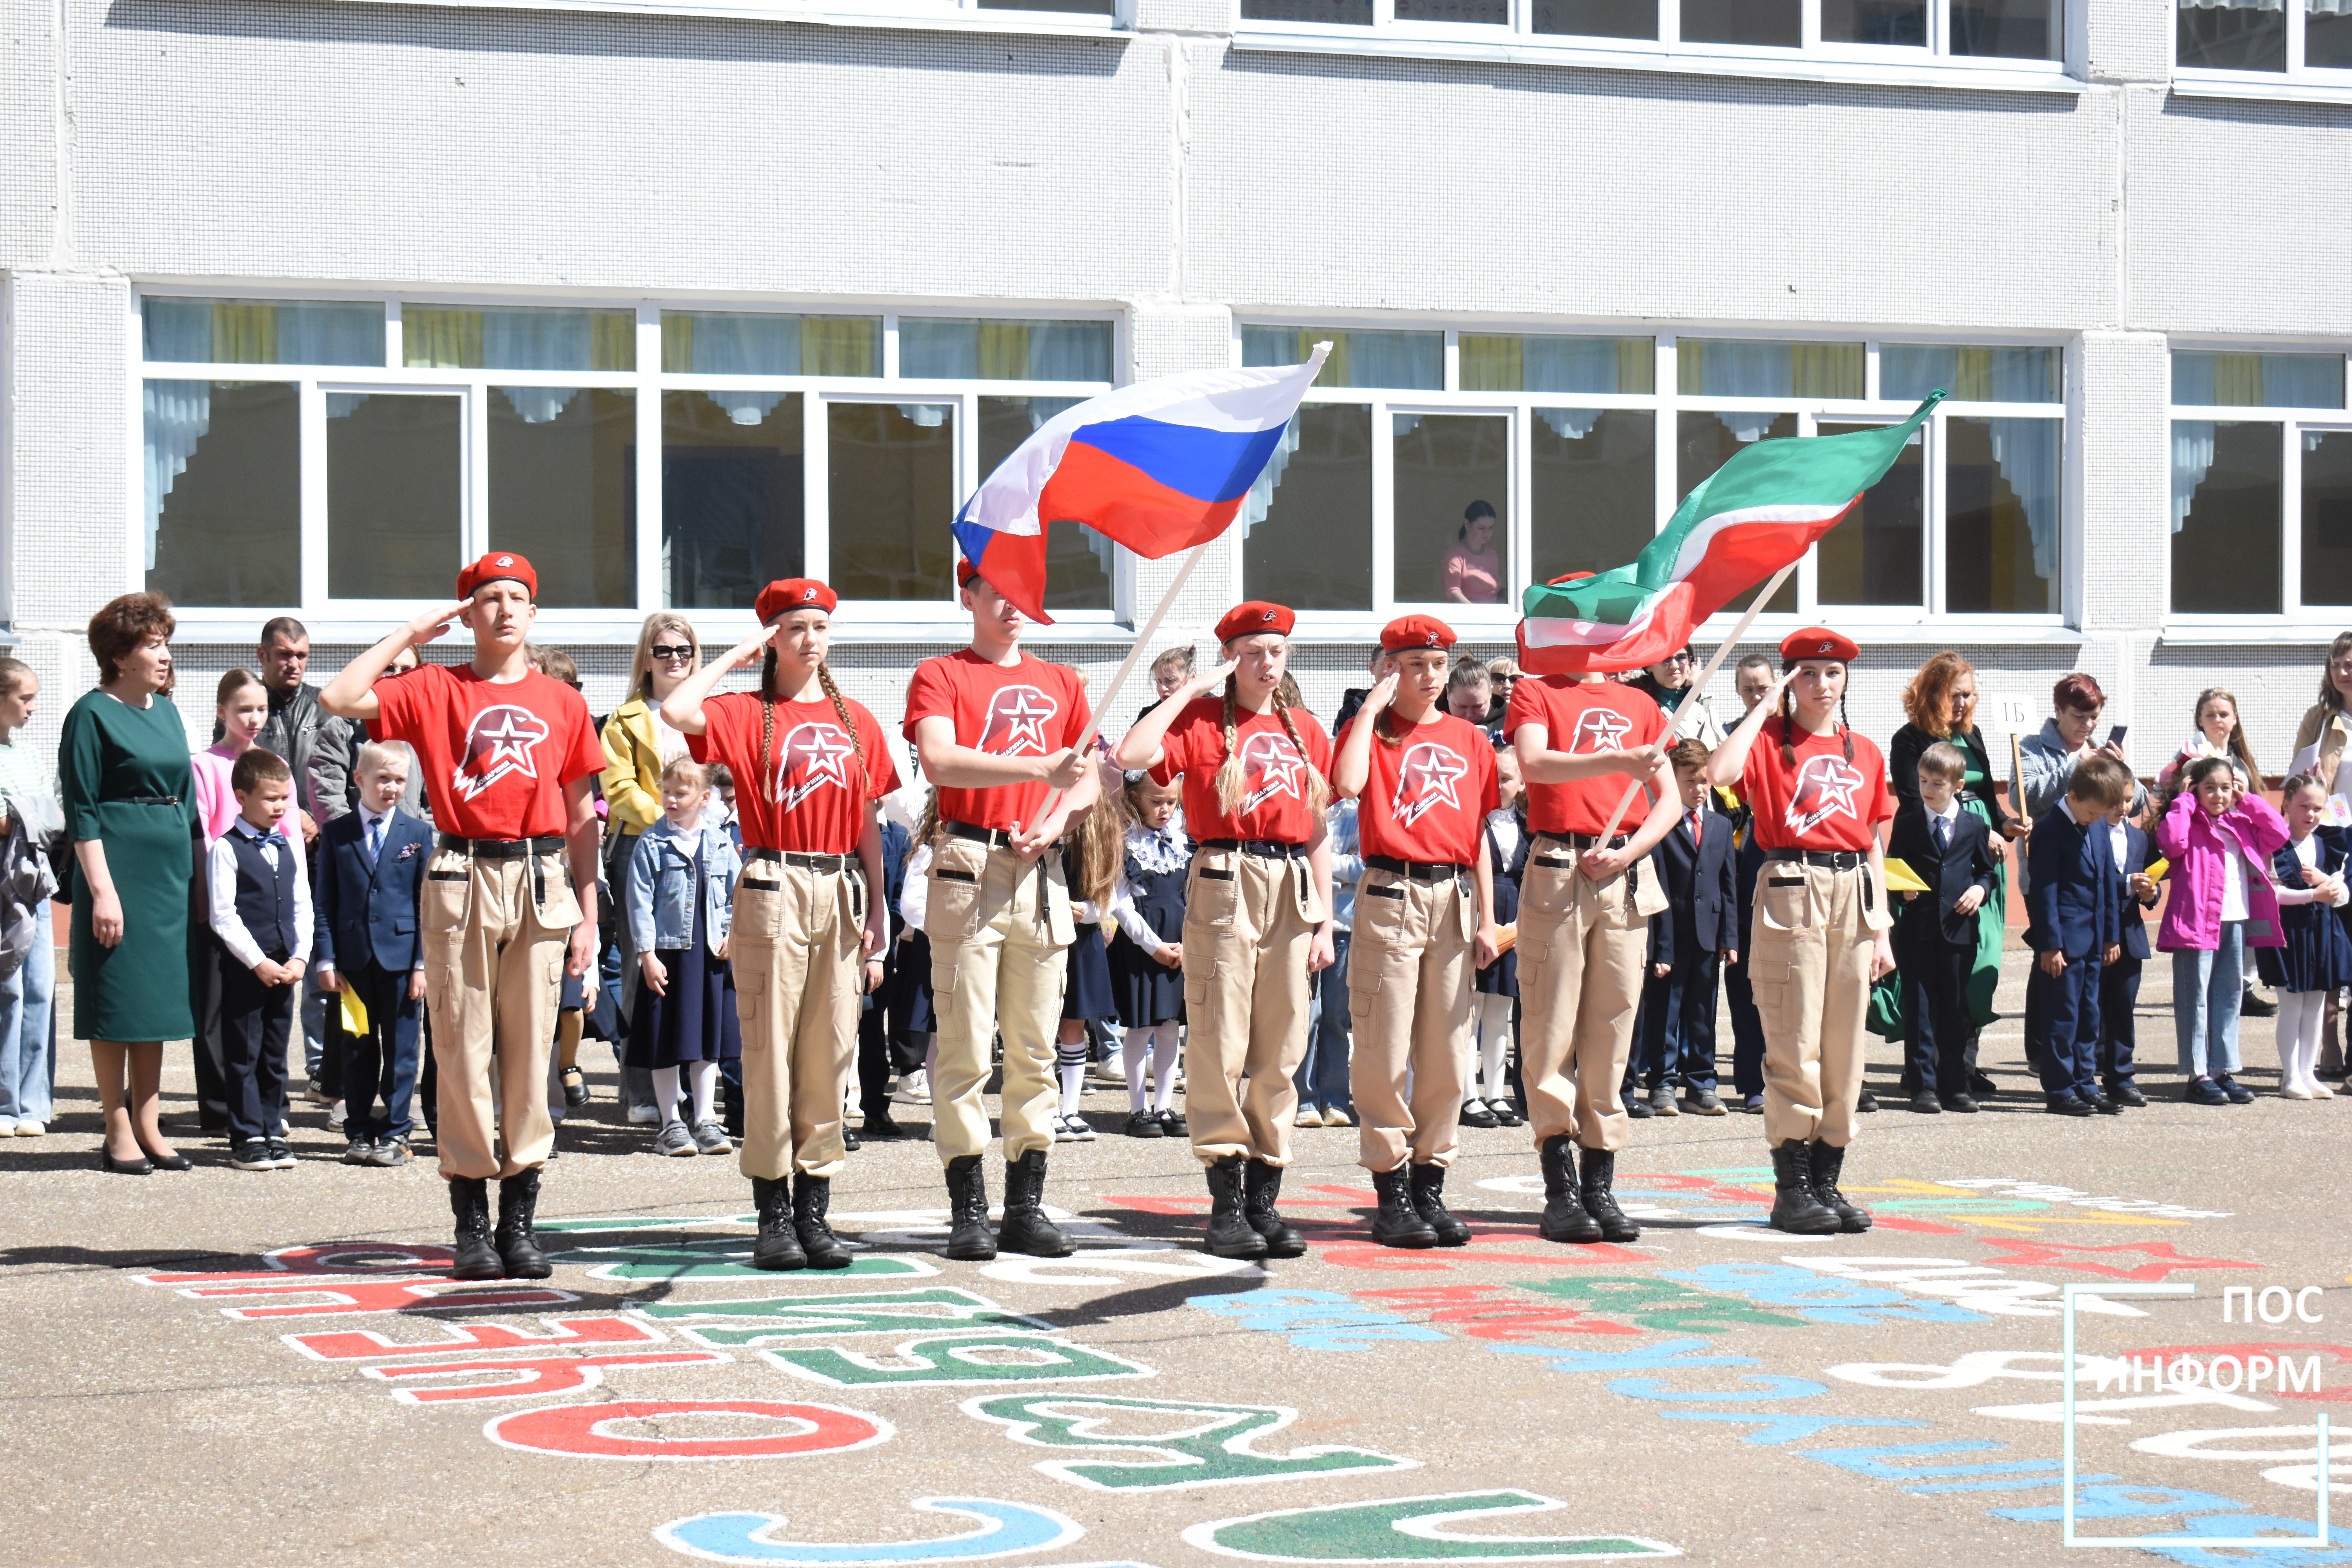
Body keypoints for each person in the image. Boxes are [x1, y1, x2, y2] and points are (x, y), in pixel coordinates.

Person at [321, 553, 603, 1280]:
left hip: (542, 879)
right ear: (467, 615)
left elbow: (581, 817)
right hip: (461, 872)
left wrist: (589, 915)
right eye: (488, 599)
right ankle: (472, 1222)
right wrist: (411, 630)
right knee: (463, 1045)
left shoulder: (563, 702)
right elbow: (339, 695)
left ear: (533, 614)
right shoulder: (435, 686)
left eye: (517, 598)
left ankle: (520, 1222)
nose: (504, 610)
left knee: (530, 1049)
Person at [663, 578, 893, 1268]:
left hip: (840, 883)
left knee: (830, 1051)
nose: (810, 639)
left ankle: (814, 1208)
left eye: (819, 626)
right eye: (794, 627)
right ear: (773, 638)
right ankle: (772, 1212)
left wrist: (879, 903)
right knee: (768, 1053)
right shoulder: (745, 711)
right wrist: (739, 654)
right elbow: (678, 707)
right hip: (773, 881)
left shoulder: (857, 719)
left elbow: (867, 823)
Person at [1116, 600, 1334, 1261]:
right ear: (1230, 658)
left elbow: (1319, 825)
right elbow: (1132, 755)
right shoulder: (1202, 721)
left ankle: (1265, 1196)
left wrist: (1324, 916)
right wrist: (1189, 690)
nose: (1266, 664)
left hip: (1291, 885)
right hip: (1224, 879)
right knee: (1220, 1037)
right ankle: (1227, 1199)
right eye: (1252, 652)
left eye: (1275, 651)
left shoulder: (1306, 729)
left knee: (1284, 1041)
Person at [906, 564, 1096, 1261]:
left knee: (1036, 1048)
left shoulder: (1062, 681)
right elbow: (940, 760)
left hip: (1039, 872)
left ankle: (1026, 1203)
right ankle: (969, 1207)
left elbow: (1090, 778)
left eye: (1023, 593)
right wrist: (1038, 770)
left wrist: (1057, 819)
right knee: (962, 1046)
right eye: (997, 594)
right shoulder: (942, 673)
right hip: (968, 865)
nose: (1013, 606)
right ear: (969, 598)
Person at [1704, 628, 1896, 1237]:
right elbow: (1719, 771)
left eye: (1832, 674)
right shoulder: (1767, 741)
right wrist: (1766, 705)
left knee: (1844, 1049)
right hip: (1791, 886)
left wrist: (1882, 928)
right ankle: (1792, 1190)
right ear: (1791, 681)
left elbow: (1871, 842)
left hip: (1853, 896)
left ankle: (1827, 1180)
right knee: (1794, 1041)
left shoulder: (1863, 751)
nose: (1821, 685)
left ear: (1845, 682)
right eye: (1807, 674)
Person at [1331, 615, 1500, 1248]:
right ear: (1389, 668)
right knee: (1383, 1047)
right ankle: (1391, 1187)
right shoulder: (1371, 732)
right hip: (1390, 892)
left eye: (1436, 665)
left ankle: (1431, 1182)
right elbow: (1345, 786)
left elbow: (1478, 831)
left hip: (1452, 897)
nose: (1427, 677)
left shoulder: (1469, 739)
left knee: (1448, 1054)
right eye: (1412, 665)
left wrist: (1488, 916)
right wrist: (1373, 707)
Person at [1504, 642, 1678, 1246]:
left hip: (1624, 872)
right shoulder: (1537, 688)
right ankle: (1561, 1188)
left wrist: (1630, 852)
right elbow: (1535, 764)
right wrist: (1616, 758)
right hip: (1559, 861)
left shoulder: (1639, 701)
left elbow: (1671, 802)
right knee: (1550, 1027)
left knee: (1613, 1025)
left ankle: (1600, 1180)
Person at [62, 593, 198, 1175]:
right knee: (118, 996)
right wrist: (103, 892)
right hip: (118, 866)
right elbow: (82, 810)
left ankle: (149, 1121)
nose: (164, 655)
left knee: (157, 1001)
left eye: (165, 643)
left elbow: (187, 799)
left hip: (167, 873)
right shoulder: (90, 714)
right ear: (120, 656)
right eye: (153, 645)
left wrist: (194, 876)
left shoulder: (166, 712)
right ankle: (116, 1124)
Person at [1888, 652, 2022, 1092]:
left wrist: (2005, 823)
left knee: (1978, 965)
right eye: (1955, 695)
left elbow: (1987, 794)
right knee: (1934, 968)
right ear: (1933, 694)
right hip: (1942, 858)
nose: (1964, 704)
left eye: (1970, 695)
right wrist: (1974, 828)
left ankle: (1963, 1060)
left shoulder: (1974, 735)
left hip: (1983, 864)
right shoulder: (1909, 739)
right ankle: (1928, 1066)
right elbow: (1913, 798)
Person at [192, 670, 308, 1134]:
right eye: (244, 709)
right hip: (226, 898)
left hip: (272, 898)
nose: (254, 718)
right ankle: (225, 1108)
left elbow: (292, 838)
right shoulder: (204, 764)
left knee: (273, 1027)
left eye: (261, 709)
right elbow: (204, 832)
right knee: (224, 1016)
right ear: (222, 711)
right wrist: (208, 901)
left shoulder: (274, 765)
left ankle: (268, 1110)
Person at [604, 614, 702, 1122]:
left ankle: (700, 1093)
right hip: (642, 850)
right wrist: (669, 822)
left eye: (683, 650)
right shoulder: (624, 721)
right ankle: (641, 1088)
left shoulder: (710, 712)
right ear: (647, 658)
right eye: (663, 651)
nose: (674, 660)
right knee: (642, 971)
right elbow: (617, 791)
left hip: (704, 851)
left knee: (704, 970)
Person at [314, 741, 429, 1167]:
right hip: (353, 964)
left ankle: (397, 1130)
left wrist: (422, 964)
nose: (392, 788)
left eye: (400, 780)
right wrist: (326, 959)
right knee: (358, 1046)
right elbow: (324, 899)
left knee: (402, 1048)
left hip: (402, 964)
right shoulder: (338, 833)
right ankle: (359, 1129)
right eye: (383, 779)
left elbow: (425, 904)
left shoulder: (416, 834)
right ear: (358, 779)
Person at [625, 757, 743, 1158]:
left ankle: (706, 1118)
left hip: (709, 954)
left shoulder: (721, 842)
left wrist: (731, 931)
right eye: (667, 792)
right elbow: (639, 902)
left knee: (706, 1037)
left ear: (705, 798)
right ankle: (670, 1122)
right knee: (664, 1038)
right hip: (668, 956)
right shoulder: (652, 843)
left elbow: (735, 892)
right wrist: (647, 953)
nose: (671, 800)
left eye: (682, 793)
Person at [2156, 755, 2288, 1108]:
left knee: (2228, 997)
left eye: (2226, 788)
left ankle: (2222, 1069)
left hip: (2235, 919)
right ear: (2195, 789)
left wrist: (2249, 800)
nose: (2218, 795)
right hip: (2195, 923)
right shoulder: (2188, 818)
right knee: (2194, 999)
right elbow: (2171, 844)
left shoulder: (2240, 821)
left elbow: (2279, 833)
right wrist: (2182, 801)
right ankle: (2197, 1073)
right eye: (2209, 788)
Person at [207, 749, 311, 1170]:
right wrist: (257, 961)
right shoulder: (226, 849)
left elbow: (302, 903)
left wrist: (301, 956)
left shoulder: (286, 844)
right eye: (271, 799)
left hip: (285, 966)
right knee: (244, 1050)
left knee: (274, 1050)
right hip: (248, 967)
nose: (281, 807)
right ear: (242, 796)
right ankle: (247, 1134)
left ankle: (273, 1124)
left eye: (285, 798)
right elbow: (223, 915)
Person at [1887, 742, 2001, 1115]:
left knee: (1953, 1010)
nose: (1928, 789)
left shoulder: (1973, 825)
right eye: (1923, 781)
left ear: (1957, 784)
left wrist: (1979, 890)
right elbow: (1891, 867)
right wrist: (1900, 892)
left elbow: (1986, 872)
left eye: (1937, 783)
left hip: (1958, 932)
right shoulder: (1907, 823)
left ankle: (1955, 1084)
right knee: (1919, 1010)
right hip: (1917, 933)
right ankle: (1922, 1086)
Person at [2025, 755, 2134, 1117]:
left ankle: (2086, 1084)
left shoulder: (2099, 826)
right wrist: (2050, 944)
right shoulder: (2049, 829)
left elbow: (2105, 884)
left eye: (2101, 815)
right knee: (2063, 1016)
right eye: (2091, 813)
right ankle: (2060, 1089)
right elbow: (2044, 892)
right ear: (2072, 796)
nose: (2095, 820)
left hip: (2093, 939)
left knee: (2090, 1015)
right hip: (2063, 943)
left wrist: (2110, 936)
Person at [1636, 740, 1737, 1118]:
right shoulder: (1659, 826)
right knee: (1666, 1011)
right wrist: (1659, 948)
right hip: (1671, 933)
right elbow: (1656, 885)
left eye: (1705, 782)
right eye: (1690, 781)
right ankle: (1662, 1082)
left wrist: (1729, 939)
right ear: (1673, 781)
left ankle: (1702, 1083)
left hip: (1708, 935)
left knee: (1702, 1011)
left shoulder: (1720, 826)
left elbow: (1728, 885)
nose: (1699, 789)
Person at [2258, 774, 2352, 1099]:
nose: (2310, 814)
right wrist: (2313, 895)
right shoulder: (2275, 842)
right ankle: (2290, 1076)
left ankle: (2308, 1073)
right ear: (2286, 805)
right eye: (2303, 806)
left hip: (2321, 932)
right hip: (2289, 933)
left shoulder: (2326, 844)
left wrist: (2329, 884)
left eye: (2317, 808)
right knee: (2293, 1005)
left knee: (2315, 1005)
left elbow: (2341, 895)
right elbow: (2271, 891)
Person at [1108, 770, 1190, 1139]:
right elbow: (1121, 904)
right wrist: (1153, 945)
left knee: (1171, 1025)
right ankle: (1138, 1109)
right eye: (1156, 801)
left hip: (1179, 941)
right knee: (1140, 1027)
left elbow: (1193, 894)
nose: (1165, 810)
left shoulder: (1182, 840)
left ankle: (1165, 1106)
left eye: (1171, 803)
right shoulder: (1124, 842)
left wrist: (1188, 942)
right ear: (1134, 799)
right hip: (1144, 943)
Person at [0, 657, 58, 1139]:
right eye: (25, 698)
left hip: (33, 882)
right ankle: (5, 1102)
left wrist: (16, 812)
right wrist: (23, 812)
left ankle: (34, 1102)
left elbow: (50, 812)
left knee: (41, 988)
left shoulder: (30, 754)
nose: (32, 708)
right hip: (3, 885)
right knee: (8, 990)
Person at [1719, 653, 1775, 1114]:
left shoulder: (1795, 731)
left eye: (1764, 687)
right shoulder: (1738, 737)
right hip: (1746, 853)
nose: (1758, 696)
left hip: (1790, 853)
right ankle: (1751, 1079)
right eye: (1749, 690)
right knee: (1746, 977)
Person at [1051, 791, 1122, 1143]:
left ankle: (1071, 1110)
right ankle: (1046, 1109)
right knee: (1043, 1023)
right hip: (1044, 935)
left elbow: (1111, 896)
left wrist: (1091, 912)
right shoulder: (1047, 828)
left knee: (1074, 1023)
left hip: (1083, 939)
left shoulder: (1098, 832)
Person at [1463, 737, 1524, 1130]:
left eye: (1506, 779)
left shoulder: (1527, 824)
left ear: (1522, 783)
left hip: (1516, 918)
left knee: (1501, 1009)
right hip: (1477, 916)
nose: (1499, 786)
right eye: (1493, 778)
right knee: (1472, 1010)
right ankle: (1469, 1094)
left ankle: (1496, 1093)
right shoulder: (1473, 819)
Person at [307, 643, 429, 825]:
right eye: (388, 668)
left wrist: (420, 846)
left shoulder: (428, 732)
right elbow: (328, 796)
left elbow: (438, 806)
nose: (397, 676)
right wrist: (356, 847)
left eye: (406, 670)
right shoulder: (342, 730)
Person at [1296, 793, 1361, 1130]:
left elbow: (1365, 868)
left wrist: (1321, 861)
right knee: (1307, 1015)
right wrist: (1339, 865)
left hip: (1344, 927)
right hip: (1305, 924)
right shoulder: (1303, 810)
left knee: (1337, 1017)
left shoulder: (1357, 812)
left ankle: (1336, 1100)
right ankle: (1303, 1099)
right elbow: (1299, 863)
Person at [2019, 673, 2146, 828]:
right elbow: (2023, 800)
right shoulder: (2034, 747)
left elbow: (2138, 804)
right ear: (2059, 711)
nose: (2088, 724)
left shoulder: (2101, 747)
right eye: (2079, 716)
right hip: (2053, 846)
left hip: (2104, 847)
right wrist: (2077, 768)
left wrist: (2121, 771)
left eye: (2094, 717)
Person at [2101, 794, 2160, 1109]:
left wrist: (2152, 892)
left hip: (2130, 936)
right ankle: (2082, 1076)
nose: (2122, 807)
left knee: (2123, 1010)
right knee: (2091, 1011)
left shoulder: (2139, 838)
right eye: (2114, 800)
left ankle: (2121, 1077)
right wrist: (2126, 883)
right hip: (2096, 936)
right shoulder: (2090, 831)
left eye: (2127, 800)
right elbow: (2090, 880)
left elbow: (2153, 880)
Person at [2156, 687, 2263, 801]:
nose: (2217, 720)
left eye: (2224, 715)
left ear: (2234, 719)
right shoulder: (2188, 754)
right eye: (2211, 715)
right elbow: (2160, 790)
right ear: (2200, 720)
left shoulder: (2245, 763)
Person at [1627, 646, 1727, 750]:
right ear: (1649, 666)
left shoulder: (1704, 702)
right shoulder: (1640, 705)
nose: (1675, 666)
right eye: (1665, 659)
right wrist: (1693, 697)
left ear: (1690, 664)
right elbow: (1675, 749)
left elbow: (1723, 747)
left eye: (1681, 658)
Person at [1441, 501, 1503, 605]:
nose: (1486, 533)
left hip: (1493, 615)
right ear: (1468, 525)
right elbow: (1453, 592)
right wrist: (1475, 613)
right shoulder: (1455, 555)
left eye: (1491, 528)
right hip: (1468, 618)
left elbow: (1494, 591)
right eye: (1481, 528)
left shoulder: (1492, 554)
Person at [1139, 647, 1196, 728]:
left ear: (1192, 677)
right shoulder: (1148, 717)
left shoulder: (1211, 709)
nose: (1162, 688)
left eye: (1170, 680)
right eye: (1159, 682)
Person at [1446, 661, 1494, 731]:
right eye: (1462, 707)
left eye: (1478, 706)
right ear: (1448, 693)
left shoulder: (1507, 727)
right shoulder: (1430, 722)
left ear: (1490, 693)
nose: (1469, 715)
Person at [1483, 658, 1520, 729]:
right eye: (1499, 679)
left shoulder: (1530, 720)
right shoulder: (1478, 718)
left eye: (1514, 680)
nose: (1507, 686)